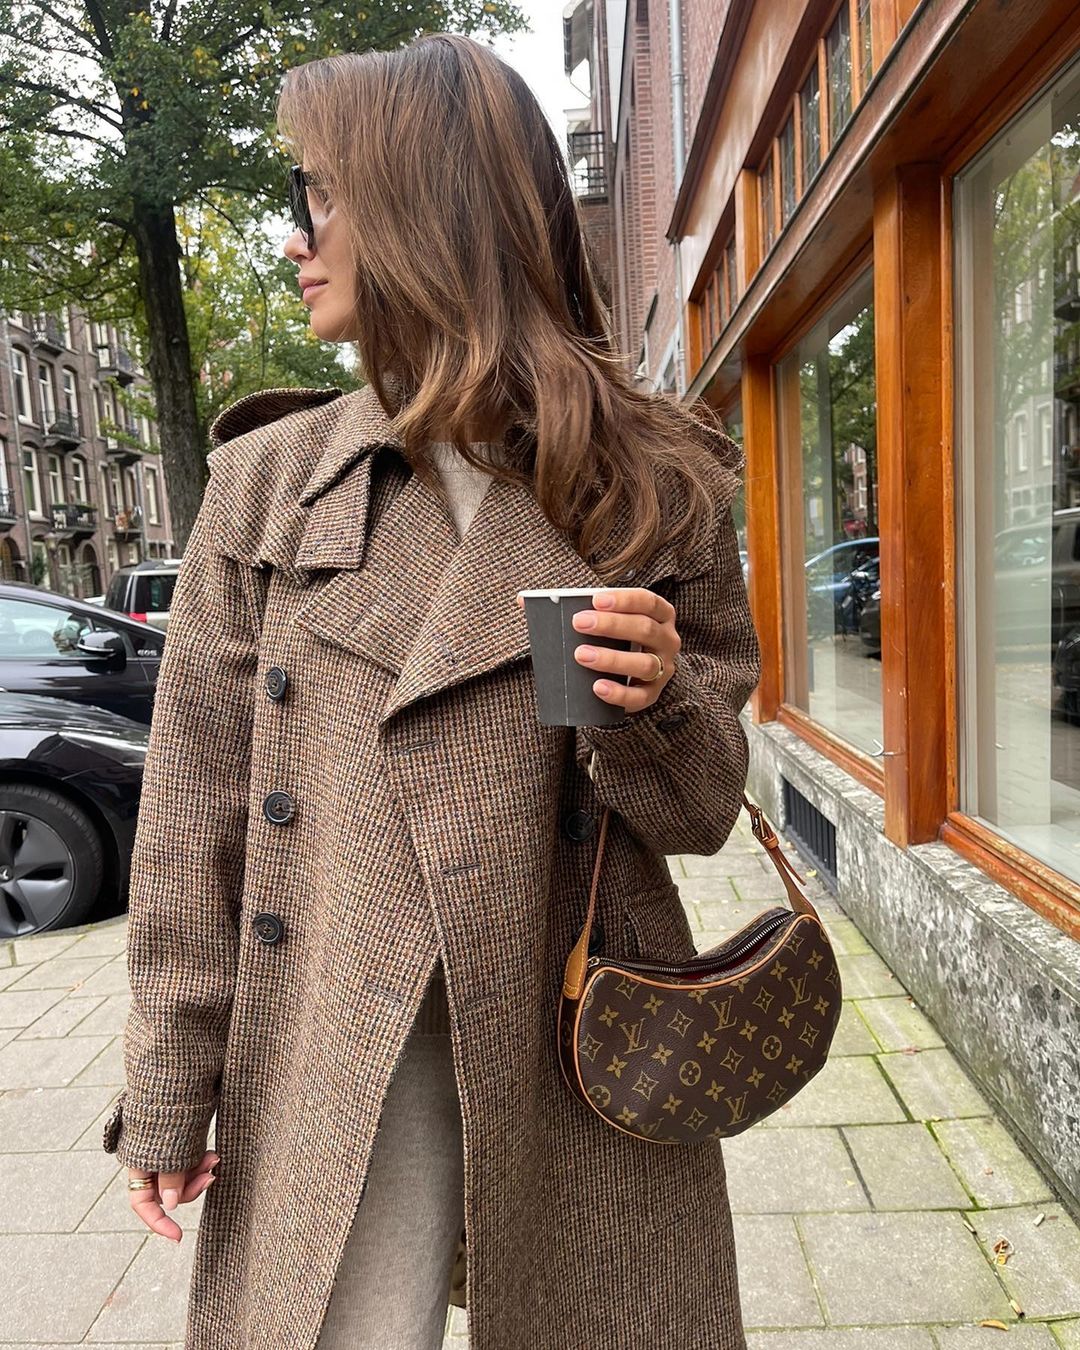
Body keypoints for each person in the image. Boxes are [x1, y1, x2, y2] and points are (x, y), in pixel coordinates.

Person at [102, 31, 761, 1350]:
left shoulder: (654, 479)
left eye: (321, 196)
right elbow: (192, 818)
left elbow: (700, 815)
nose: (296, 235)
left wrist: (657, 700)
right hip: (341, 1032)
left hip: (573, 1031)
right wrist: (169, 1085)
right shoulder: (268, 482)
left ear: (424, 213)